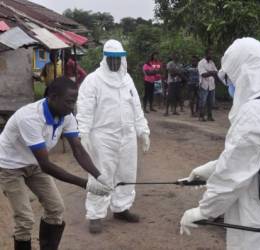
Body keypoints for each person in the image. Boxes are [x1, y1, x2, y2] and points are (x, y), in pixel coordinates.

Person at [179, 38, 260, 249]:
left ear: (244, 72)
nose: (231, 85)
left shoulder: (255, 111)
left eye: (231, 77)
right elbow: (255, 157)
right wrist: (205, 171)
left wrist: (204, 211)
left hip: (259, 223)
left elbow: (233, 174)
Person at [0, 77, 112, 250]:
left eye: (74, 101)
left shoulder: (66, 115)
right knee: (25, 219)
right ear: (52, 97)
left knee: (56, 209)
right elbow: (46, 165)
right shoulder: (29, 117)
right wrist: (86, 184)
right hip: (9, 166)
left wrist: (99, 176)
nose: (72, 106)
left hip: (34, 164)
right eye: (68, 101)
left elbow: (79, 150)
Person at [76, 39, 150, 234]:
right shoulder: (93, 80)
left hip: (127, 135)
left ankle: (121, 207)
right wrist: (82, 134)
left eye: (119, 59)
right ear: (105, 59)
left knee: (127, 173)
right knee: (101, 173)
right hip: (103, 136)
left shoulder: (127, 80)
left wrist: (143, 130)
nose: (115, 63)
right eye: (112, 59)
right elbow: (84, 110)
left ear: (123, 59)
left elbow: (136, 107)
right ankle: (95, 214)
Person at [198, 48, 218, 121]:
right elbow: (203, 74)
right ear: (206, 54)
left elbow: (216, 72)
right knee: (203, 101)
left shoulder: (212, 63)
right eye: (210, 53)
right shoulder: (201, 63)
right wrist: (211, 72)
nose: (211, 55)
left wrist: (209, 72)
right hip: (204, 84)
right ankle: (201, 116)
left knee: (211, 102)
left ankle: (209, 116)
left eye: (212, 53)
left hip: (211, 85)